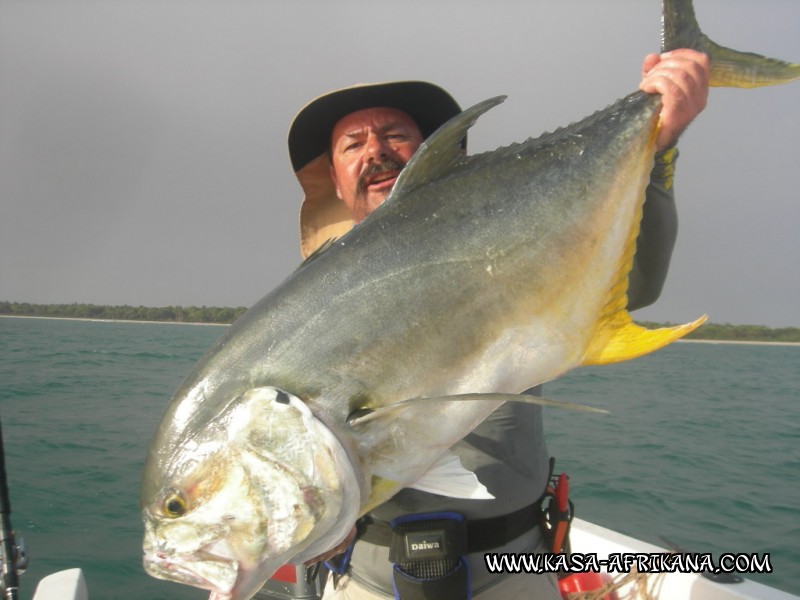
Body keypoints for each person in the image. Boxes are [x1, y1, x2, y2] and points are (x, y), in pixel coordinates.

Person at [283, 50, 710, 600]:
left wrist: (660, 144)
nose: (377, 152)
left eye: (394, 135)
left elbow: (636, 286)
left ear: (440, 155)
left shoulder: (509, 247)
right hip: (369, 576)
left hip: (513, 571)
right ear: (337, 182)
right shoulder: (308, 305)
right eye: (353, 144)